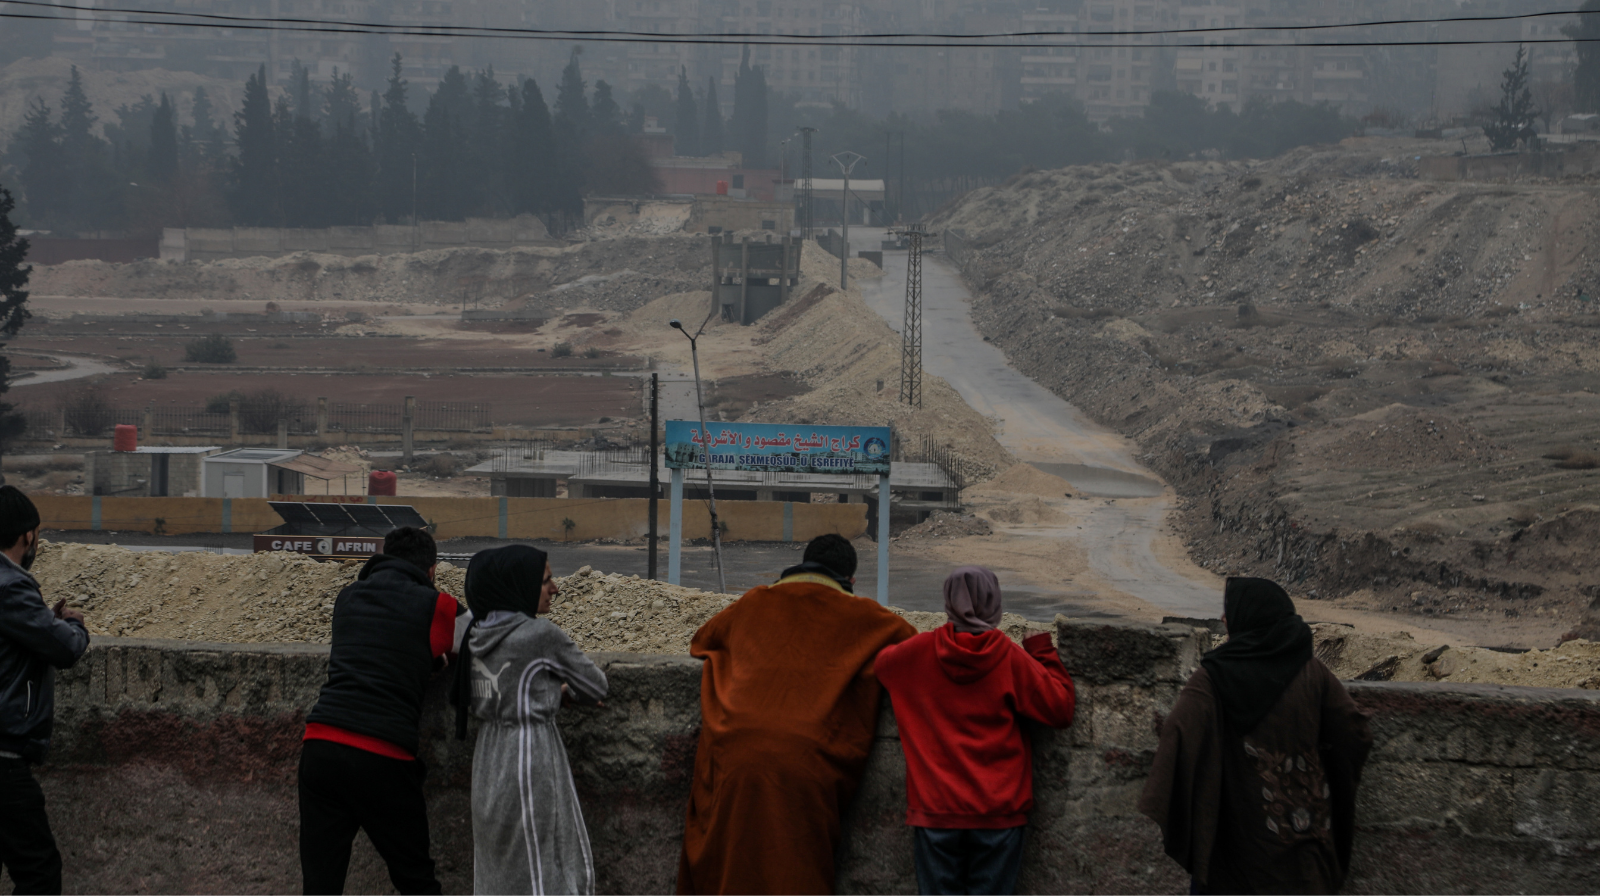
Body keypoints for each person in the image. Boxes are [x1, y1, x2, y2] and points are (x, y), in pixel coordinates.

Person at [676, 533, 917, 895]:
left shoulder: (753, 601)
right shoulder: (870, 618)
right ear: (850, 580)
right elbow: (914, 652)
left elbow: (701, 641)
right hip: (808, 761)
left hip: (735, 753)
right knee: (797, 868)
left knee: (729, 865)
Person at [1138, 577, 1373, 895]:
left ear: (1250, 617)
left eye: (1230, 610)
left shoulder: (1212, 679)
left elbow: (1177, 735)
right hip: (1304, 854)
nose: (1223, 618)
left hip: (1236, 860)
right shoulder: (1312, 671)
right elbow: (1353, 734)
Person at [876, 566, 1076, 896]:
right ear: (994, 604)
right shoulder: (1010, 658)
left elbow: (882, 664)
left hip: (935, 812)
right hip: (998, 813)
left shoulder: (914, 655)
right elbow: (1060, 709)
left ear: (948, 603)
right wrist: (1041, 650)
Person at [298, 526, 468, 895]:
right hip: (382, 753)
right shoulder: (438, 605)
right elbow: (472, 643)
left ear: (383, 557)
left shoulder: (347, 597)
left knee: (320, 883)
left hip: (320, 745)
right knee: (415, 879)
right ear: (432, 571)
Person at [451, 545, 607, 895]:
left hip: (488, 761)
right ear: (517, 585)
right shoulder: (540, 636)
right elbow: (596, 685)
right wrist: (561, 693)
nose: (555, 589)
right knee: (541, 863)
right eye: (546, 581)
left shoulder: (474, 634)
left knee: (498, 868)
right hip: (529, 758)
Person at [0, 486, 89, 895]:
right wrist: (73, 625)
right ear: (27, 536)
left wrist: (42, 622)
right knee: (38, 872)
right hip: (4, 761)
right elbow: (64, 649)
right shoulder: (10, 586)